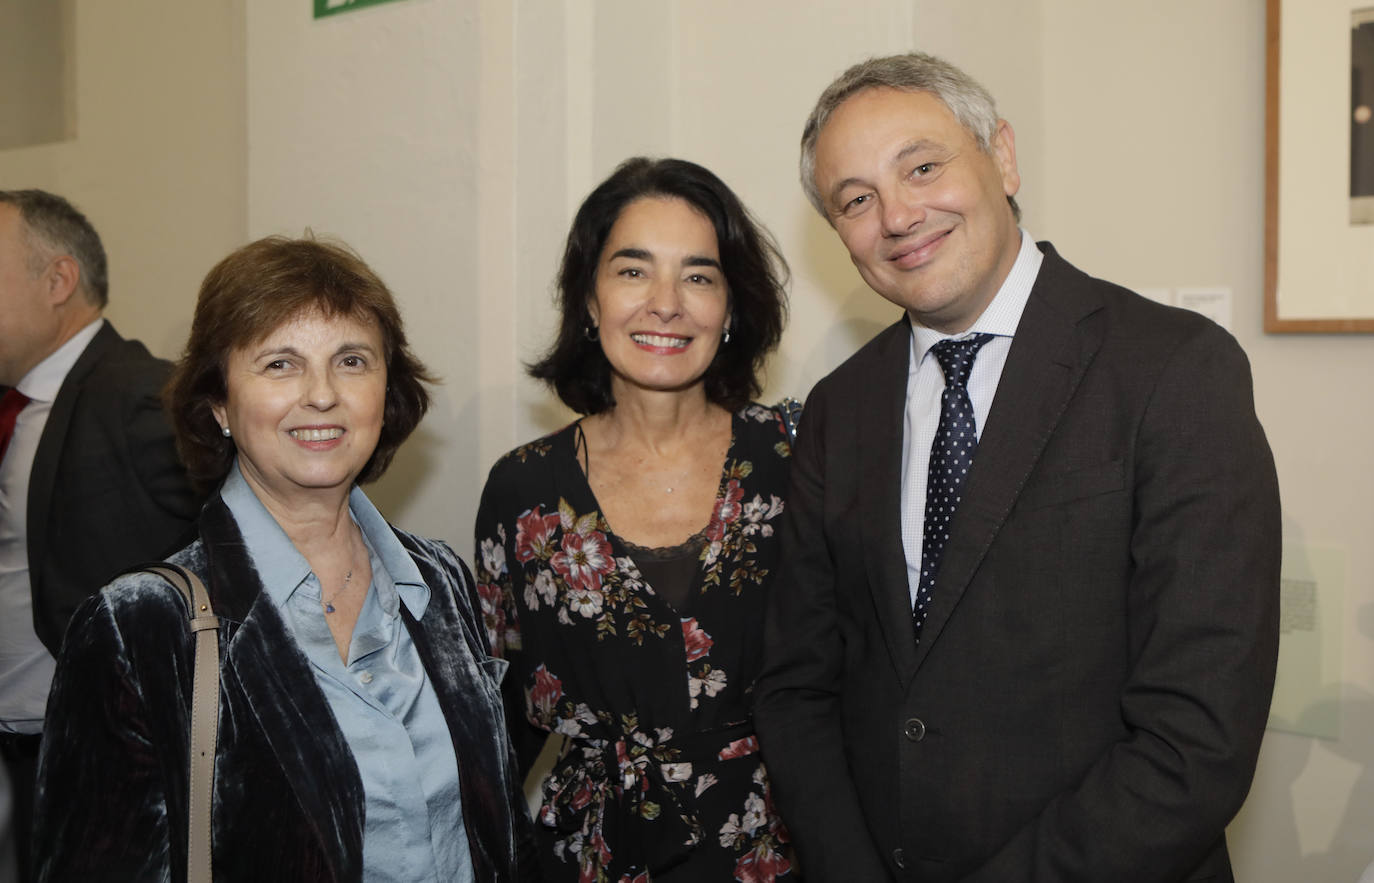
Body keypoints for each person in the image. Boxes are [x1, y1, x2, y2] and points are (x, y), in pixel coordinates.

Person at [754, 53, 1281, 882]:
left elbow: (1197, 736)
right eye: (856, 200)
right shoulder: (838, 408)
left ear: (1001, 156)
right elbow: (797, 688)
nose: (897, 215)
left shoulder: (1172, 369)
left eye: (922, 166)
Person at [33, 236, 536, 881]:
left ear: (388, 389)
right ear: (218, 403)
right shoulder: (139, 626)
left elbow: (500, 834)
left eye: (352, 361)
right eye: (279, 365)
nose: (321, 394)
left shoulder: (439, 581)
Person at [474, 157, 794, 881]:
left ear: (732, 305)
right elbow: (497, 719)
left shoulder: (795, 457)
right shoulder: (521, 489)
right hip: (593, 855)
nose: (666, 302)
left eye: (699, 275)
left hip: (777, 848)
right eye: (632, 271)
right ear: (589, 300)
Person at [0, 189, 201, 881]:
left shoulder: (143, 395)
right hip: (31, 756)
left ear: (58, 280)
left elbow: (241, 555)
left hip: (120, 767)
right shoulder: (18, 408)